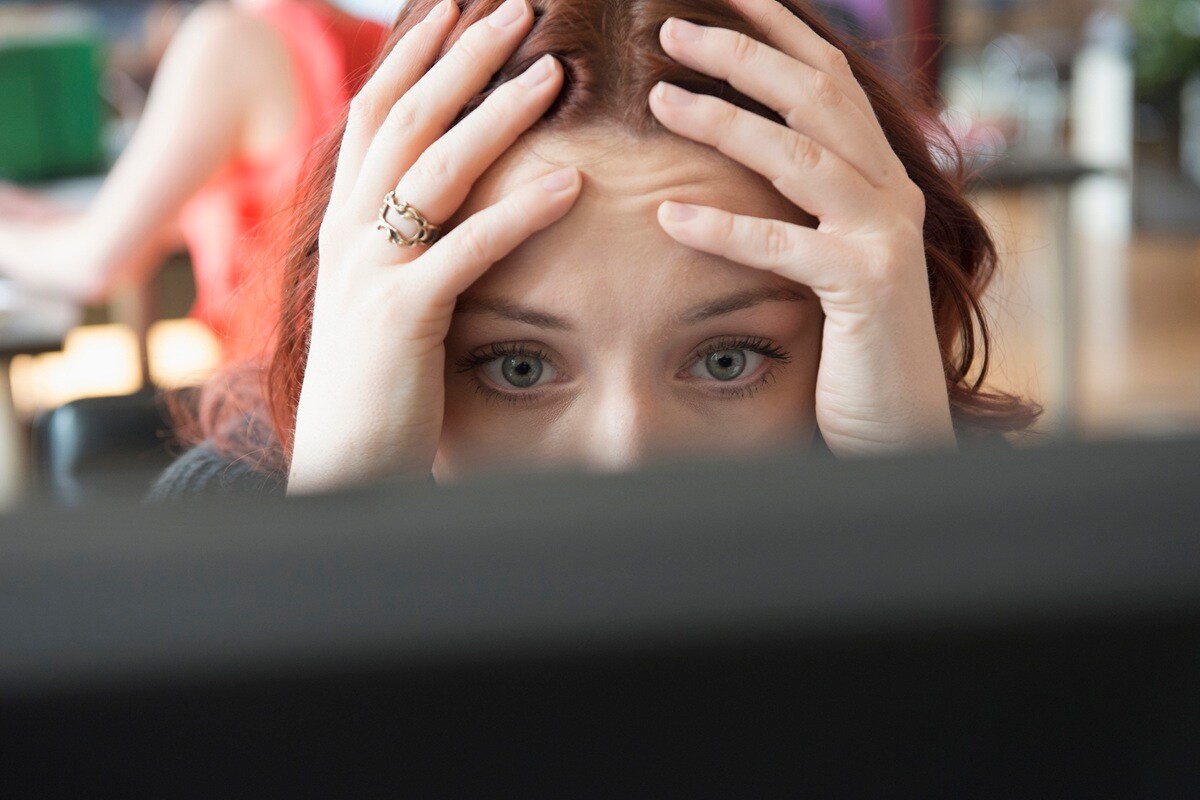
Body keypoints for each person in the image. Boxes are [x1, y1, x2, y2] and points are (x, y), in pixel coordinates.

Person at [149, 0, 1040, 500]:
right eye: (517, 368)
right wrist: (343, 542)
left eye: (727, 361)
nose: (628, 460)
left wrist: (910, 511)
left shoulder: (977, 516)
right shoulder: (226, 534)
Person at [0, 0, 388, 363]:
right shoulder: (377, 35)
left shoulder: (227, 41)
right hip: (358, 381)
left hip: (274, 398)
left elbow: (93, 266)